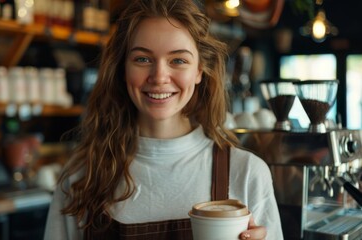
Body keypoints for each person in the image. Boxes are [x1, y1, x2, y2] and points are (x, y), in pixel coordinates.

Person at [44, 0, 283, 239]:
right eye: (142, 59)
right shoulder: (80, 176)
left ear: (199, 70)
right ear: (122, 68)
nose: (159, 77)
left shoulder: (247, 173)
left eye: (178, 60)